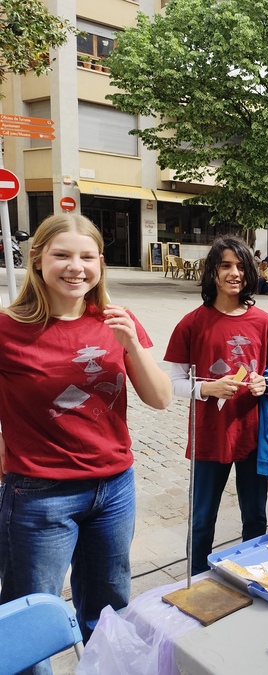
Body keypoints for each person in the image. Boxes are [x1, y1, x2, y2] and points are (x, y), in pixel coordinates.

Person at [0, 214, 170, 655]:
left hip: (114, 490)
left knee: (109, 608)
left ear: (100, 263)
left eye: (87, 256)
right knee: (31, 615)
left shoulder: (118, 319)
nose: (76, 267)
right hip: (40, 496)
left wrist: (131, 343)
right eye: (62, 255)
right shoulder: (7, 328)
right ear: (37, 260)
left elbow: (161, 398)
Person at [165, 236, 268, 575]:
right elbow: (172, 383)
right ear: (213, 272)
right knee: (202, 518)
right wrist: (207, 388)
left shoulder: (264, 322)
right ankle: (196, 581)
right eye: (225, 266)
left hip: (253, 435)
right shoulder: (192, 323)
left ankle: (254, 573)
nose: (234, 273)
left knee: (255, 515)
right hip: (208, 436)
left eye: (240, 266)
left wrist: (267, 383)